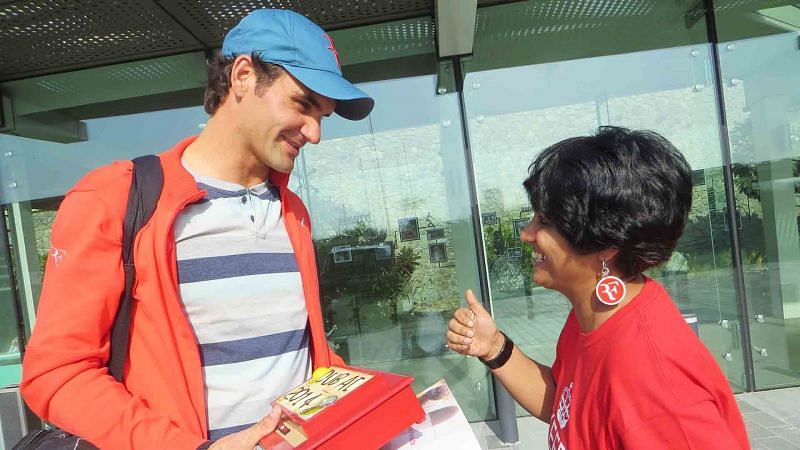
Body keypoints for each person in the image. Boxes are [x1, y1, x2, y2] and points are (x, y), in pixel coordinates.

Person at [21, 8, 373, 450]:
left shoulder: (293, 213)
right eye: (303, 105)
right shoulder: (116, 199)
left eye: (324, 116)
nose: (315, 133)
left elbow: (298, 357)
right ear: (243, 76)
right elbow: (58, 373)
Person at [447, 127, 749, 449]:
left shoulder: (655, 383)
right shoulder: (593, 315)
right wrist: (494, 347)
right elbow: (564, 404)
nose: (527, 234)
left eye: (545, 222)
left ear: (606, 243)